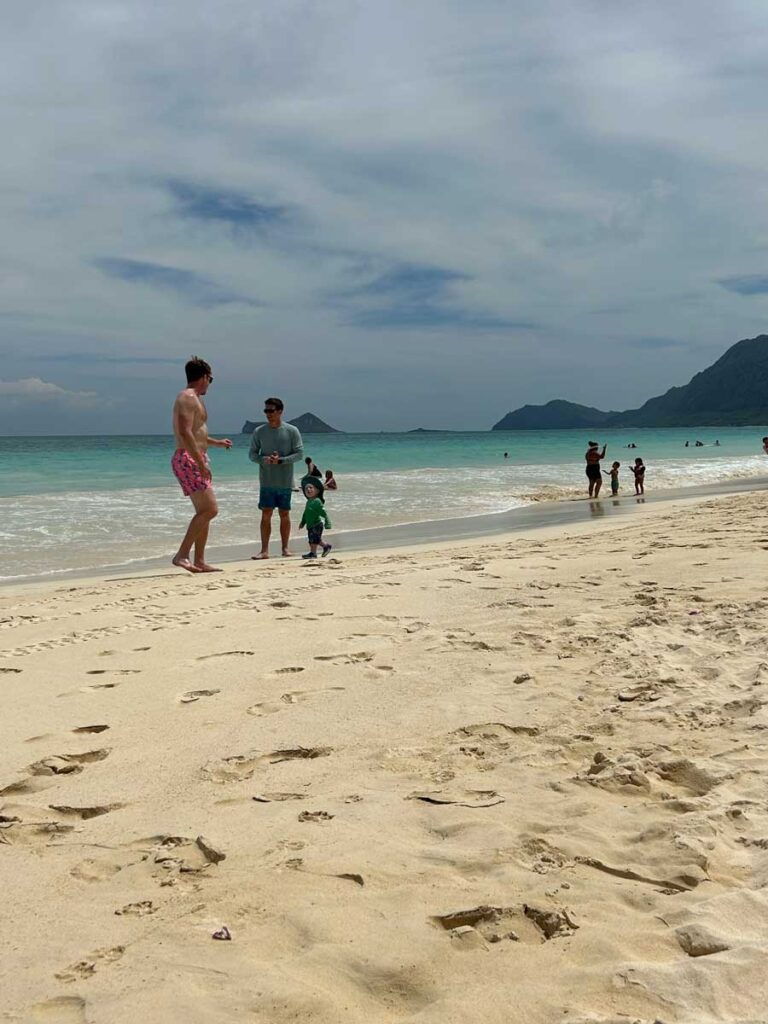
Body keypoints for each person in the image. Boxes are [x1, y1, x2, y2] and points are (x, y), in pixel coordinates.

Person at [170, 356, 232, 573]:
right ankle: (182, 555)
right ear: (204, 377)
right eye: (210, 379)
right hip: (188, 459)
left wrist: (216, 443)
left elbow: (197, 434)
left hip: (195, 456)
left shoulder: (195, 398)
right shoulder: (187, 397)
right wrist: (199, 462)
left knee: (204, 511)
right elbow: (185, 433)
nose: (210, 384)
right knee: (210, 509)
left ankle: (199, 560)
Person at [249, 398, 304, 558]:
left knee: (284, 514)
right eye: (266, 411)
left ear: (280, 411)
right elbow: (252, 454)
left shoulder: (292, 430)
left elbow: (300, 454)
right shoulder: (259, 431)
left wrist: (280, 460)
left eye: (271, 411)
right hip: (266, 480)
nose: (268, 414)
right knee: (266, 514)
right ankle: (264, 550)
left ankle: (285, 548)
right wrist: (263, 459)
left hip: (285, 481)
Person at [298, 474, 332, 559]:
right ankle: (326, 546)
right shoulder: (308, 501)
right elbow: (306, 513)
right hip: (310, 525)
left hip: (317, 524)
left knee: (314, 539)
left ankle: (313, 553)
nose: (308, 490)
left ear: (317, 490)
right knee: (313, 539)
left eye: (310, 488)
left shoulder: (317, 501)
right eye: (306, 489)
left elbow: (323, 512)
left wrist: (328, 522)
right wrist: (302, 522)